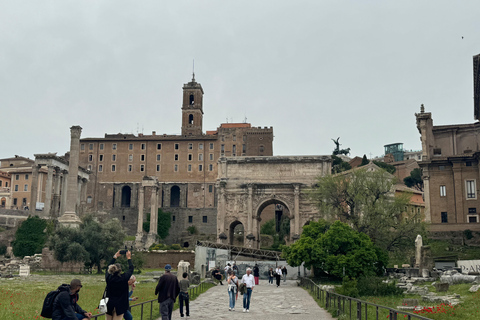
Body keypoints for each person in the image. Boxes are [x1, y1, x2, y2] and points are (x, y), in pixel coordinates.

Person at [105, 250, 134, 320]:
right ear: (120, 270)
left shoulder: (108, 277)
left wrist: (115, 257)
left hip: (109, 303)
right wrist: (129, 258)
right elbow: (131, 269)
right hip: (120, 305)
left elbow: (107, 268)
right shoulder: (124, 278)